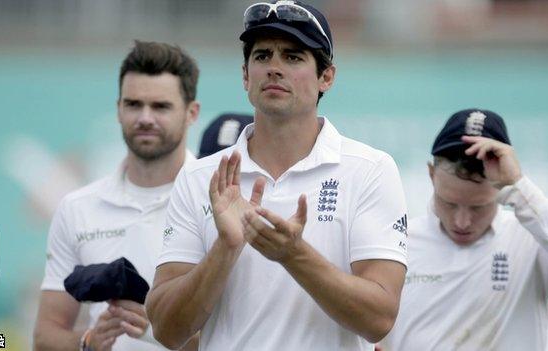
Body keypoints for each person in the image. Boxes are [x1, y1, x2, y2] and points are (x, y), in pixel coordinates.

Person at [145, 1, 409, 350]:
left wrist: (294, 254)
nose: (274, 68)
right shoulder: (200, 176)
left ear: (326, 77)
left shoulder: (369, 169)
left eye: (293, 57)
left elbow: (379, 320)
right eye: (262, 55)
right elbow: (167, 330)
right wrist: (225, 248)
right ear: (245, 75)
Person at [381, 109, 548, 351]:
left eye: (478, 207)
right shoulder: (399, 241)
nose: (462, 222)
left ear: (502, 190)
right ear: (431, 175)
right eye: (449, 203)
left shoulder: (530, 239)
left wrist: (520, 188)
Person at [34, 40, 200, 351]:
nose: (145, 118)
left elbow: (248, 336)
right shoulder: (77, 208)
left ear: (192, 113)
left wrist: (158, 328)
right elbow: (44, 338)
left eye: (161, 106)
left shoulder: (217, 201)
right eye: (134, 104)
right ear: (118, 109)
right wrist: (88, 342)